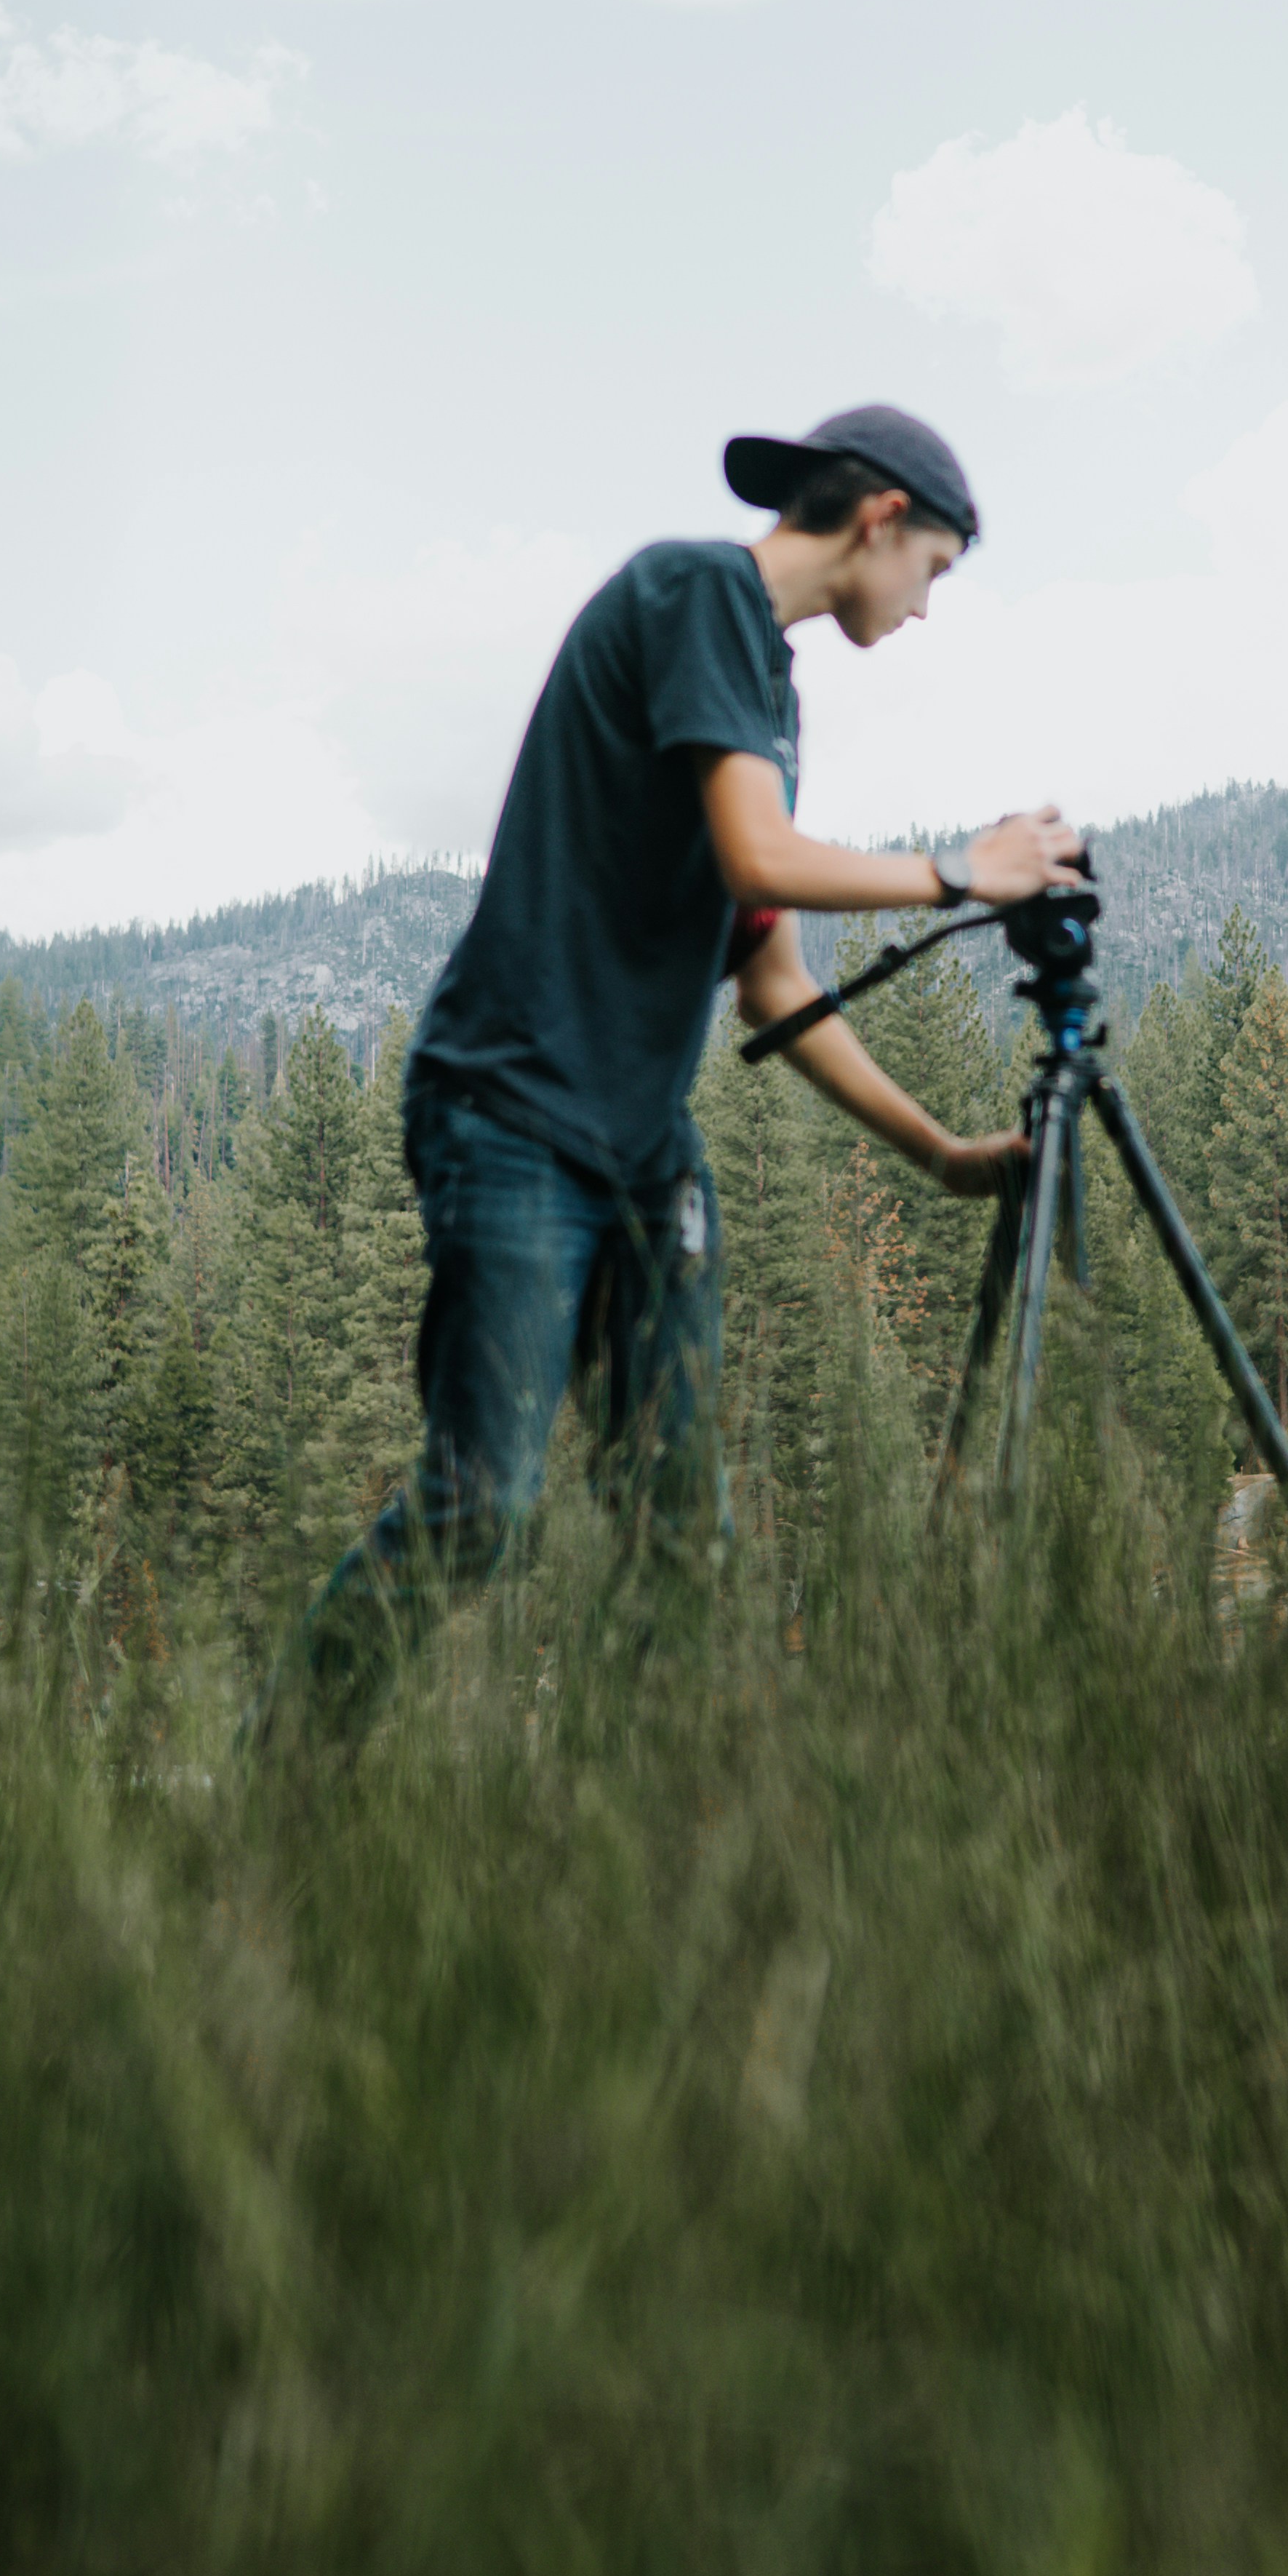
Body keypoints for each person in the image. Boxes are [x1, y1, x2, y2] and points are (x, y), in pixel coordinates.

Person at [290, 402, 1080, 1716]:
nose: (928, 606)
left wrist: (939, 1153)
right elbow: (758, 859)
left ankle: (635, 1847)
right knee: (481, 1503)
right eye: (935, 570)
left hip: (641, 1145)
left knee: (683, 1532)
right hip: (513, 1110)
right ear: (881, 517)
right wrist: (961, 872)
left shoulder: (763, 693)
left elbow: (773, 978)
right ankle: (285, 1779)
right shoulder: (696, 594)